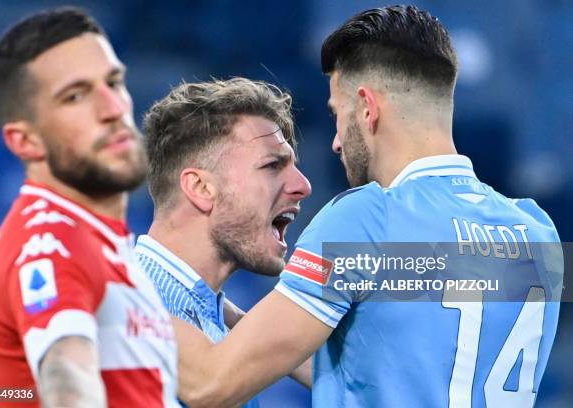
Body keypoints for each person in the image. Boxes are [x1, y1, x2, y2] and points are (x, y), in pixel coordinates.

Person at [172, 5, 563, 408]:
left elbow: (211, 386)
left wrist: (123, 282)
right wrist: (235, 317)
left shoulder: (366, 219)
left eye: (337, 115)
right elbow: (384, 371)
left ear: (367, 108)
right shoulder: (537, 231)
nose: (336, 141)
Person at [0, 7, 179, 408]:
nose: (113, 108)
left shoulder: (100, 240)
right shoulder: (52, 239)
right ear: (25, 142)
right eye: (75, 96)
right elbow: (67, 376)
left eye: (113, 82)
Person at [136, 77, 313, 406]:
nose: (303, 185)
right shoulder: (119, 306)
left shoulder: (215, 320)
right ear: (202, 189)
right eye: (272, 165)